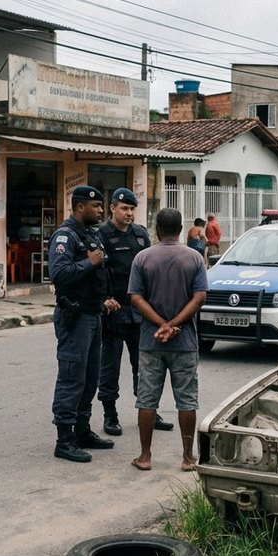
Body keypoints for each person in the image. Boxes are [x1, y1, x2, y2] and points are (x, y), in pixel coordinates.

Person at [128, 207, 208, 472]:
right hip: (184, 342)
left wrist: (162, 324)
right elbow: (199, 298)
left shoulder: (142, 258)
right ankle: (187, 458)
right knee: (187, 400)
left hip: (151, 341)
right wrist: (174, 325)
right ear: (181, 229)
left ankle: (145, 456)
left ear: (157, 230)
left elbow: (136, 298)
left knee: (147, 400)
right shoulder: (194, 258)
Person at [48, 185, 120, 463]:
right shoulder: (65, 236)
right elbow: (58, 273)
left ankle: (82, 430)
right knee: (72, 378)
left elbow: (100, 274)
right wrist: (88, 264)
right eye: (96, 206)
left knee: (90, 378)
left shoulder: (91, 235)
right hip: (75, 317)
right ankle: (64, 440)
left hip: (93, 315)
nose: (101, 210)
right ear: (80, 207)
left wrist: (104, 299)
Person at [96, 188, 173, 437]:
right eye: (124, 209)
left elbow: (150, 268)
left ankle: (148, 411)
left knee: (144, 366)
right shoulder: (101, 235)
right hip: (114, 311)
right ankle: (110, 415)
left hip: (139, 312)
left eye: (132, 209)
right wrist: (104, 298)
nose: (129, 213)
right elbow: (98, 272)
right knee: (110, 366)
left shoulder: (140, 234)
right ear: (113, 209)